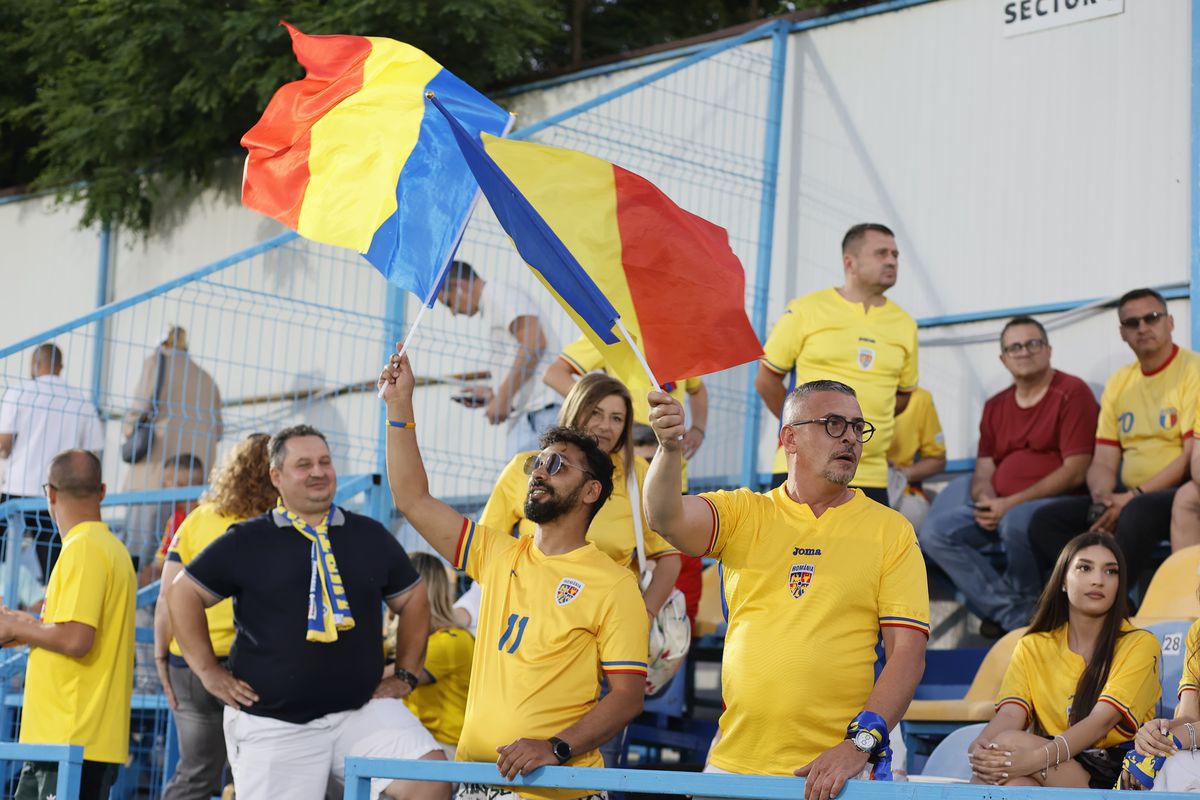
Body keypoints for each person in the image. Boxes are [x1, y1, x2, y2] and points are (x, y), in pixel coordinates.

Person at [381, 350, 648, 800]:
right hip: (476, 784)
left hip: (559, 791)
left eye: (558, 464)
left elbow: (627, 697)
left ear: (591, 491)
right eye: (539, 462)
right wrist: (398, 405)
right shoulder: (496, 552)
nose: (540, 471)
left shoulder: (614, 582)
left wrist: (555, 747)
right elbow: (412, 498)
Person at [643, 380, 928, 800]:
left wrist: (857, 746)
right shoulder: (745, 512)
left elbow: (907, 653)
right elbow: (664, 517)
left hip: (836, 772)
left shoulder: (891, 530)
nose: (850, 436)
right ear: (789, 437)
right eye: (833, 423)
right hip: (735, 763)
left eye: (857, 426)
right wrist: (669, 450)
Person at [168, 425, 447, 800]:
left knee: (430, 784)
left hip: (359, 710)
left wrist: (407, 673)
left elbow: (413, 598)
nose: (318, 472)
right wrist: (208, 671)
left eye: (325, 462)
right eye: (304, 465)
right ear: (276, 477)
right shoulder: (248, 540)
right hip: (276, 723)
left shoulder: (368, 534)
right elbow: (181, 593)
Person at [918, 316, 1099, 636]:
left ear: (1048, 349)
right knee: (936, 532)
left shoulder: (1072, 392)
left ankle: (1027, 608)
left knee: (1016, 520)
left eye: (1033, 344)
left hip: (1061, 504)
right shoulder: (995, 406)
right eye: (1014, 347)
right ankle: (1015, 614)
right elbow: (984, 469)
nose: (1024, 352)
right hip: (1002, 506)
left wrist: (1008, 505)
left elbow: (1075, 471)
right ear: (1003, 358)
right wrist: (987, 500)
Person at [1028, 289, 1200, 585]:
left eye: (1152, 318)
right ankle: (1082, 599)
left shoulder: (1193, 369)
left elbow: (1189, 457)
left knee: (1137, 513)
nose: (1143, 328)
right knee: (1044, 522)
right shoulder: (1120, 381)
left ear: (1170, 322)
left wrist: (1131, 497)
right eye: (1132, 323)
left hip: (1172, 491)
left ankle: (1112, 604)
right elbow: (1104, 459)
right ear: (1122, 333)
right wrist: (1102, 498)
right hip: (1126, 495)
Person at [967, 532, 1160, 789]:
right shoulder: (1032, 646)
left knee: (1011, 744)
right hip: (1053, 763)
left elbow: (1101, 721)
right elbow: (1012, 712)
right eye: (1084, 568)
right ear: (1063, 581)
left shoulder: (1140, 644)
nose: (1098, 580)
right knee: (1015, 784)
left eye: (1110, 572)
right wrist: (982, 746)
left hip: (1117, 772)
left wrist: (1033, 759)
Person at [479, 374, 681, 619]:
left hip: (608, 621)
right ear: (574, 410)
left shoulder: (637, 473)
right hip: (531, 617)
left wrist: (643, 616)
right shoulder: (526, 467)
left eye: (616, 418)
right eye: (595, 412)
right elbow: (486, 549)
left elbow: (668, 557)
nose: (605, 425)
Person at [0, 449, 136, 800]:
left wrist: (15, 629)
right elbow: (69, 630)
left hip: (71, 738)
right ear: (102, 491)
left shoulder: (83, 549)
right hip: (75, 739)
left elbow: (77, 639)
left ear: (51, 493)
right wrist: (24, 623)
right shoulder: (111, 548)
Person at [754, 223, 918, 505]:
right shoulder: (806, 310)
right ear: (849, 262)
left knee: (867, 550)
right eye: (882, 253)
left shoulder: (905, 323)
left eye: (895, 254)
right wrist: (803, 428)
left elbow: (902, 397)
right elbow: (766, 380)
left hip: (872, 474)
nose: (892, 260)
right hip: (804, 469)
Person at [154, 434, 274, 800]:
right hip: (251, 664)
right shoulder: (278, 521)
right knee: (261, 774)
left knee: (195, 774)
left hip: (189, 659)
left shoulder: (198, 518)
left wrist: (162, 655)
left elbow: (167, 594)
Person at [122, 324, 223, 574]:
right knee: (182, 555)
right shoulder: (207, 379)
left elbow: (138, 410)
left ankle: (143, 608)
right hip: (195, 482)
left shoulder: (156, 364)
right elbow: (218, 431)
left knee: (142, 554)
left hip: (155, 478)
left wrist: (128, 430)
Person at [0, 342, 104, 582]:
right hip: (59, 493)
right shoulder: (81, 401)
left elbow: (4, 443)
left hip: (18, 487)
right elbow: (93, 454)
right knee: (54, 562)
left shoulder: (20, 392)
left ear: (35, 364)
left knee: (5, 549)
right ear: (61, 366)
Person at [437, 260, 561, 456]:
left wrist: (503, 398)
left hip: (541, 414)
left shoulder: (498, 295)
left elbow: (534, 343)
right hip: (533, 414)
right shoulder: (494, 300)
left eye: (449, 303)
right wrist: (493, 394)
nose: (453, 312)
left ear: (458, 286)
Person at [543, 336, 709, 465]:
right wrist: (596, 403)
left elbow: (697, 389)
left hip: (671, 462)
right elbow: (554, 374)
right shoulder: (614, 331)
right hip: (627, 456)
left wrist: (698, 428)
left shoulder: (680, 341)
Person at [401, 552, 475, 759]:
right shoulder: (410, 637)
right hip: (419, 740)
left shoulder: (450, 640)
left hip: (448, 750)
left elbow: (389, 679)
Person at [1128, 602, 1200, 790]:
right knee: (1162, 765)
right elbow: (1190, 717)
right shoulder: (1198, 632)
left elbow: (1189, 730)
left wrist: (1189, 734)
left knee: (1173, 768)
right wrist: (1155, 735)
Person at [885, 386, 946, 529]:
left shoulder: (920, 398)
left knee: (914, 513)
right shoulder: (847, 393)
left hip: (899, 485)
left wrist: (903, 472)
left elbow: (937, 459)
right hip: (854, 482)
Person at [149, 452, 205, 583]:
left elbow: (161, 561)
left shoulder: (181, 519)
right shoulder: (178, 516)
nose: (163, 487)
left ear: (180, 486)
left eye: (166, 482)